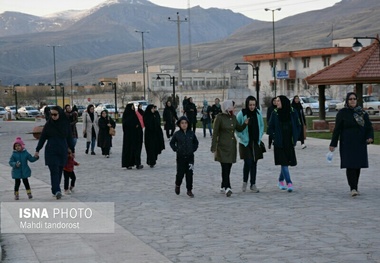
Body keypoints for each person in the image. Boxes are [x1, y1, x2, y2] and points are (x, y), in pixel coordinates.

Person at [329, 92, 374, 197]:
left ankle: (355, 186)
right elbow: (337, 129)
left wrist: (370, 137)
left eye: (354, 98)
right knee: (350, 165)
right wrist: (333, 144)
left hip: (360, 142)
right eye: (350, 99)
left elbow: (369, 127)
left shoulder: (362, 113)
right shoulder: (343, 113)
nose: (352, 101)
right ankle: (352, 187)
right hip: (347, 143)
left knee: (357, 165)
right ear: (347, 101)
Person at [35, 106, 74, 199]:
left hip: (62, 150)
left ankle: (54, 189)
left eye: (55, 114)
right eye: (51, 114)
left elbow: (69, 137)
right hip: (51, 151)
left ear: (59, 114)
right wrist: (37, 149)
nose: (53, 116)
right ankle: (57, 190)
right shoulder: (49, 125)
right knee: (54, 171)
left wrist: (72, 150)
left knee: (60, 170)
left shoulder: (65, 124)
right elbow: (43, 138)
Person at [211, 100, 248, 197]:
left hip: (231, 146)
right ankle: (228, 187)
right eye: (232, 107)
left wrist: (245, 123)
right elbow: (215, 133)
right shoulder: (219, 118)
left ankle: (223, 185)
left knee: (229, 166)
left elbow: (238, 128)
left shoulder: (234, 118)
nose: (234, 109)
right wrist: (213, 146)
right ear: (227, 108)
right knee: (225, 167)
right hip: (222, 146)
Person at [267, 95, 301, 193]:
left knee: (286, 162)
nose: (276, 102)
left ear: (284, 102)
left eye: (278, 101)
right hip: (279, 142)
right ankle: (289, 182)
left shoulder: (292, 112)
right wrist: (274, 136)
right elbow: (270, 127)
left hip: (289, 141)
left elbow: (298, 125)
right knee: (284, 162)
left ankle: (280, 180)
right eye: (276, 101)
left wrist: (295, 136)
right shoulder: (275, 113)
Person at [236, 96, 264, 193]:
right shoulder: (242, 114)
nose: (252, 107)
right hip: (245, 142)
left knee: (254, 162)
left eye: (253, 105)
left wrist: (259, 137)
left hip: (255, 141)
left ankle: (253, 183)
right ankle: (245, 182)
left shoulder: (258, 113)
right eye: (250, 105)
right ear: (247, 104)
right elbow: (237, 128)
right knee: (248, 162)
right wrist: (243, 137)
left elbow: (261, 126)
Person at [170, 116, 199, 197]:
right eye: (182, 123)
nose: (184, 125)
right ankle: (177, 184)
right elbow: (172, 143)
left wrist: (193, 149)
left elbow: (196, 142)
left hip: (190, 157)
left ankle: (189, 190)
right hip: (180, 157)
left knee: (190, 174)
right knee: (180, 173)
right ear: (179, 124)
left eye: (185, 123)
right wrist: (176, 149)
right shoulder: (177, 134)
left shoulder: (191, 133)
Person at [122, 103, 144, 169]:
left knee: (137, 150)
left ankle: (137, 163)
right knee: (129, 150)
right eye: (132, 107)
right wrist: (133, 126)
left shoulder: (135, 115)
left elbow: (138, 123)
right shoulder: (126, 115)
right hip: (129, 137)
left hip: (136, 136)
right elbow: (126, 125)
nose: (133, 108)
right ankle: (129, 164)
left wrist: (138, 126)